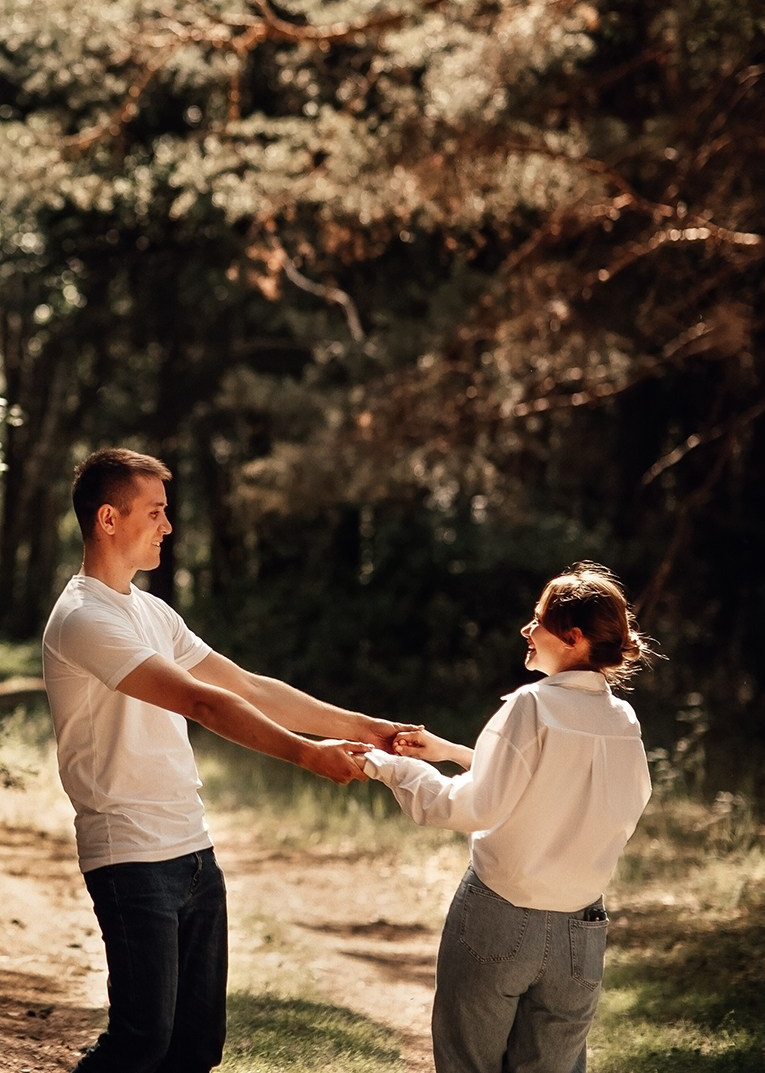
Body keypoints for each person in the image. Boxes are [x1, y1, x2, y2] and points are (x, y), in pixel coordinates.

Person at [42, 448, 412, 1073]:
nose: (168, 526)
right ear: (109, 519)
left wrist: (364, 728)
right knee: (140, 1043)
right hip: (129, 854)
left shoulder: (151, 610)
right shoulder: (83, 618)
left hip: (191, 851)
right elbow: (201, 703)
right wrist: (306, 755)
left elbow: (246, 686)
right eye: (155, 512)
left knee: (194, 1049)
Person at [362, 561, 655, 1073]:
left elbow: (471, 806)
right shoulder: (623, 721)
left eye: (537, 618)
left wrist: (388, 767)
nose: (527, 629)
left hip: (501, 916)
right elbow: (560, 788)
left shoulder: (531, 706)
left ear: (573, 636)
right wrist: (453, 751)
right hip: (581, 932)